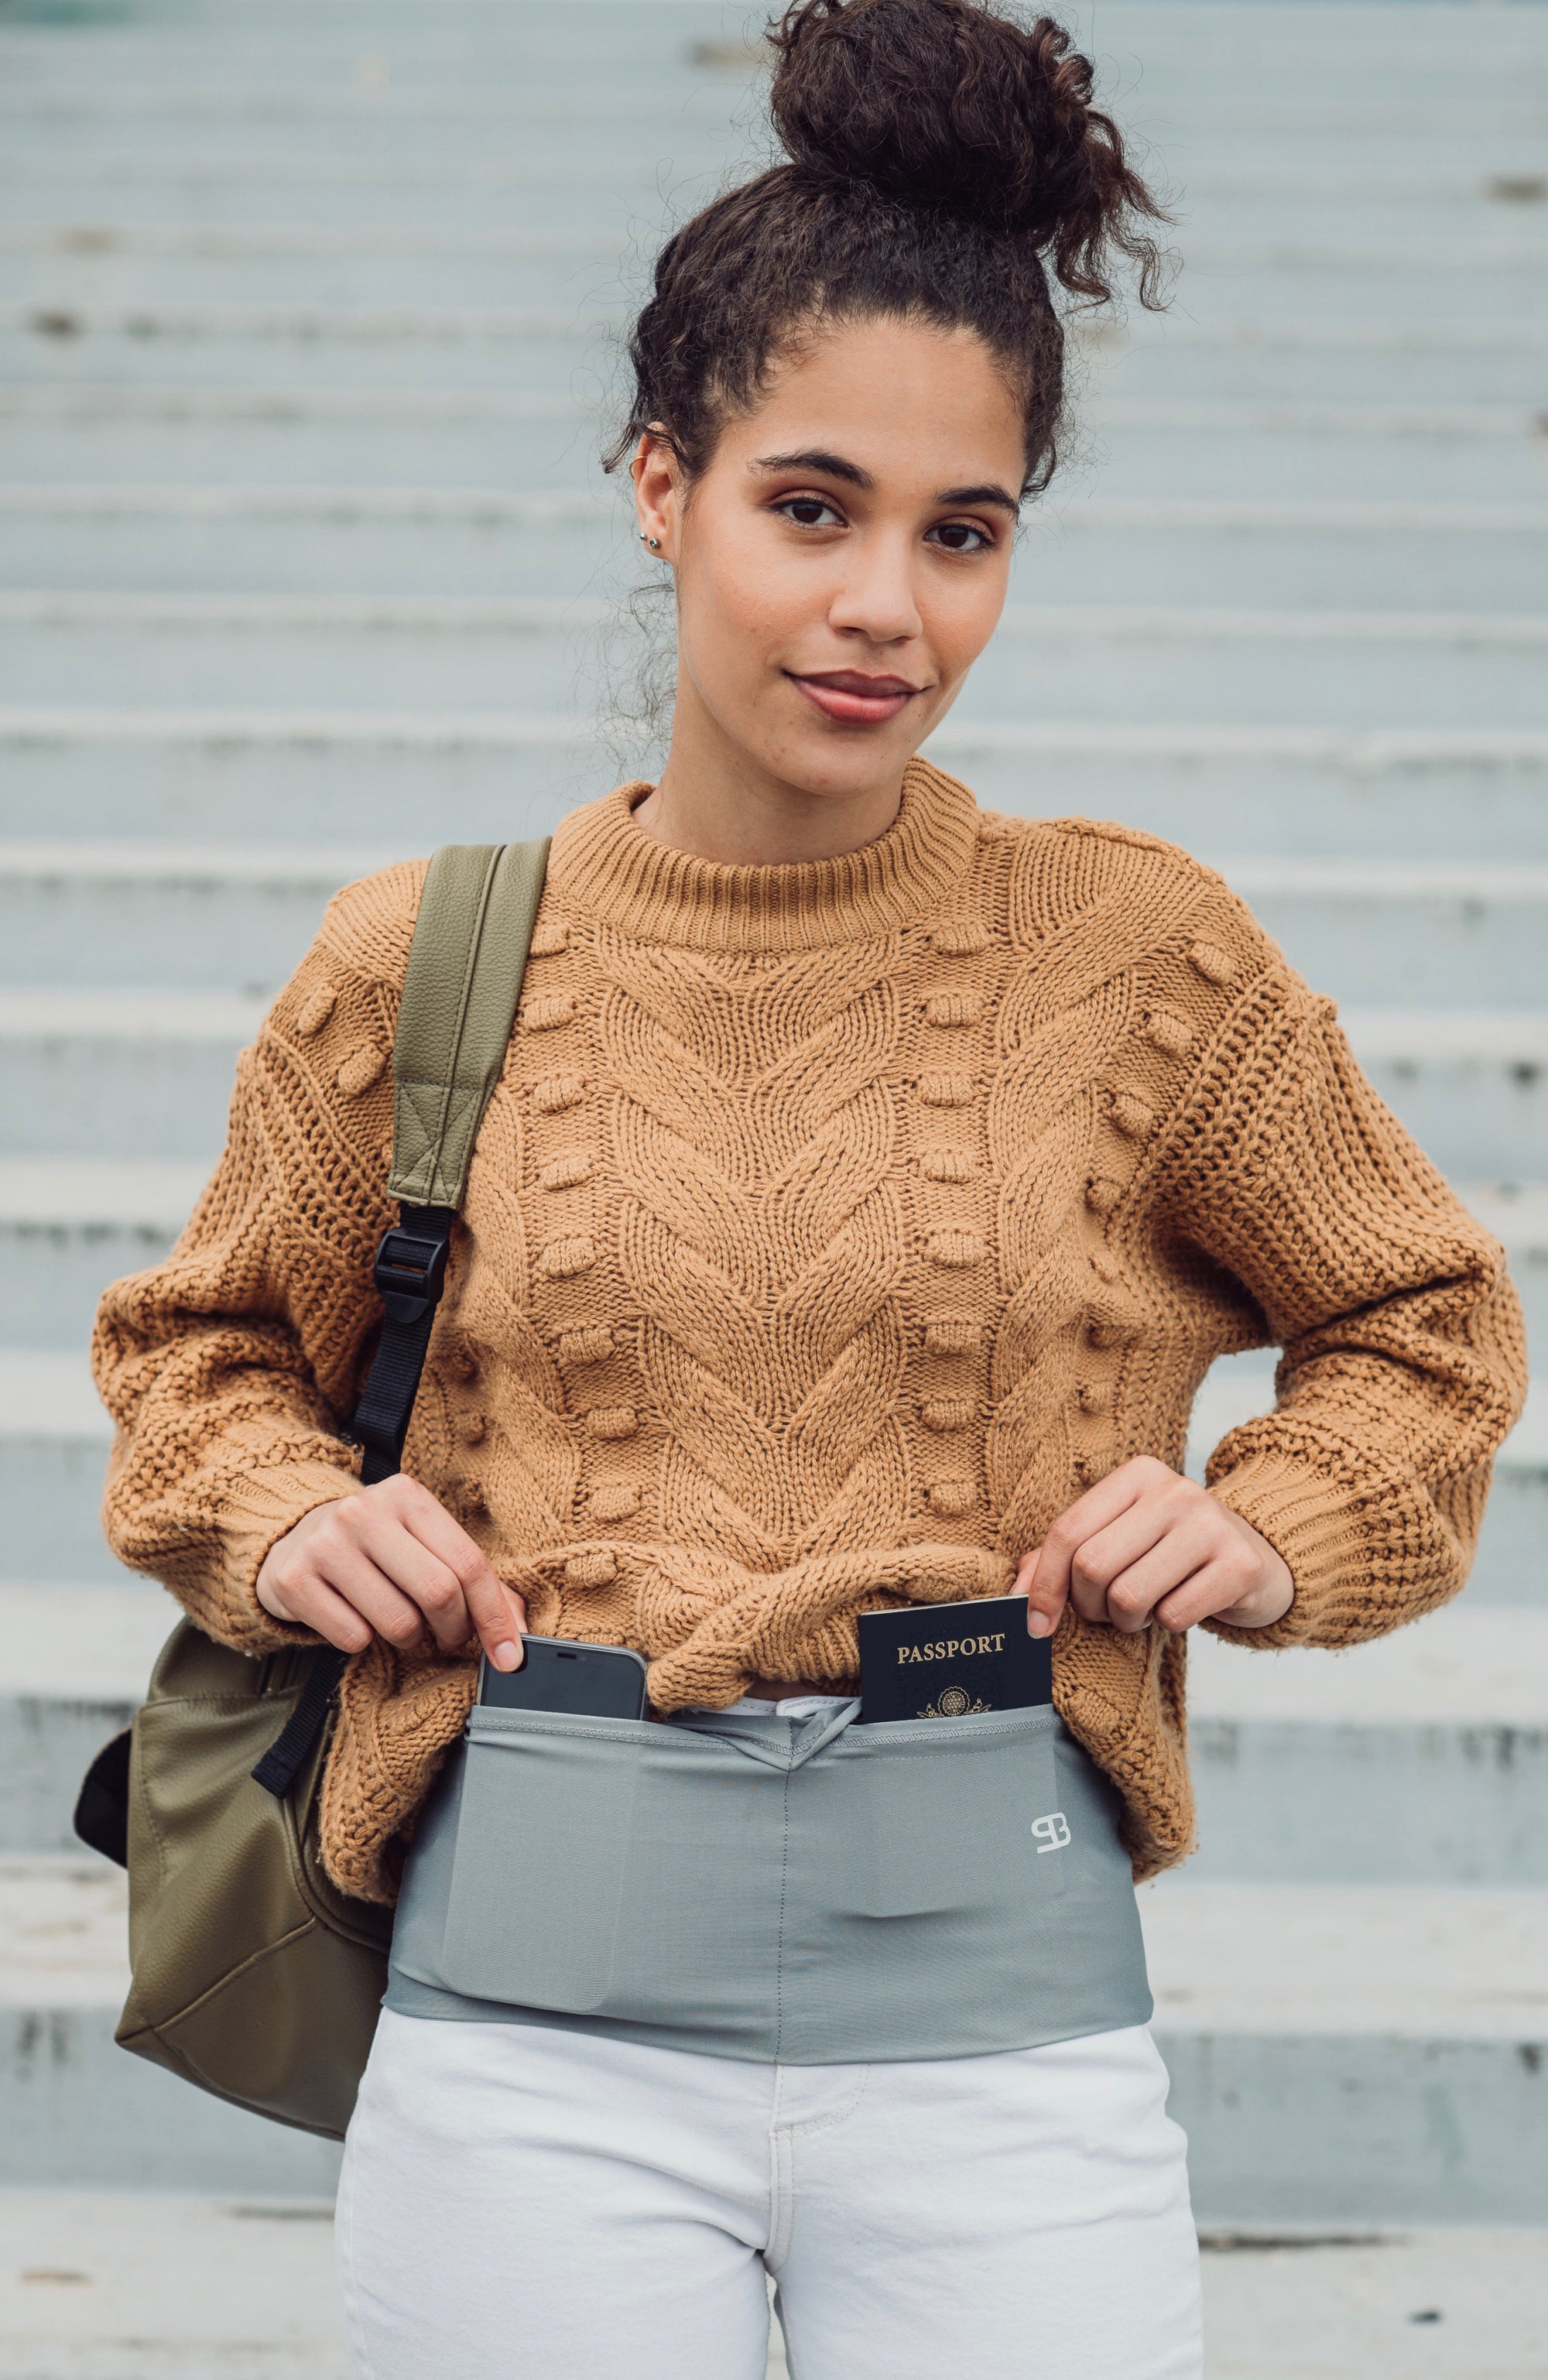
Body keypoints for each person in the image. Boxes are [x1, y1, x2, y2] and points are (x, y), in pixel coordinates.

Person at [92, 3, 1526, 2375]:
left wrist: (1270, 1520)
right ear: (664, 484)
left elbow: (1427, 1321)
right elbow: (198, 1354)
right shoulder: (423, 957)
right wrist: (274, 1511)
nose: (888, 605)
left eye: (964, 535)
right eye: (813, 506)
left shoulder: (1142, 956)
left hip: (1007, 2026)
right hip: (524, 2027)